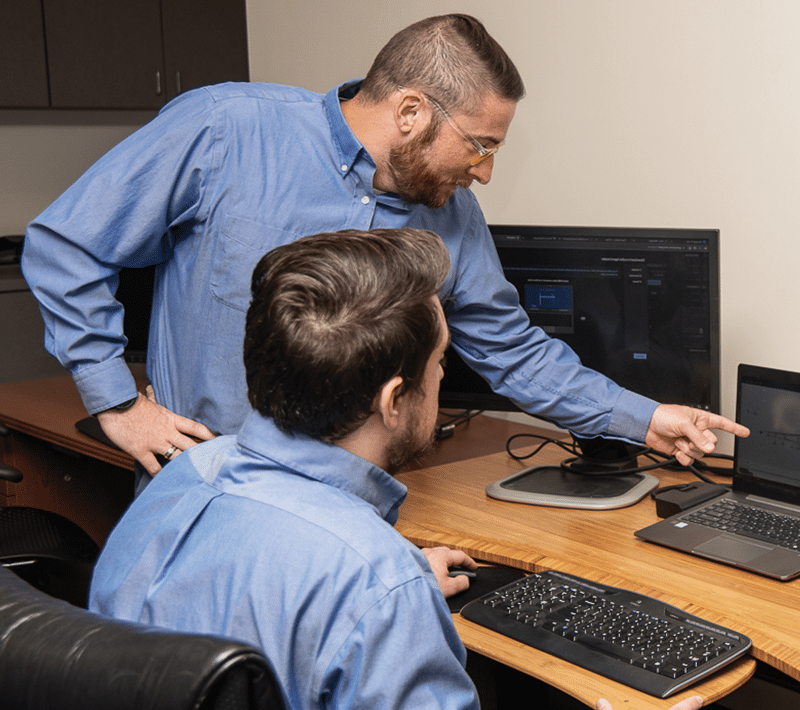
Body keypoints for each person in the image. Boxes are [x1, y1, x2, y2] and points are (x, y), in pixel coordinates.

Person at [22, 14, 747, 482]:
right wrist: (116, 400)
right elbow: (66, 244)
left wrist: (645, 417)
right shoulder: (224, 130)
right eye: (480, 145)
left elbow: (512, 349)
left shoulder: (451, 211)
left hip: (358, 505)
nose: (485, 171)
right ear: (410, 111)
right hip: (216, 491)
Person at [89, 228, 704, 710]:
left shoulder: (181, 478)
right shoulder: (378, 585)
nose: (442, 377)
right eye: (439, 363)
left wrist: (379, 595)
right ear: (394, 400)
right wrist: (385, 599)